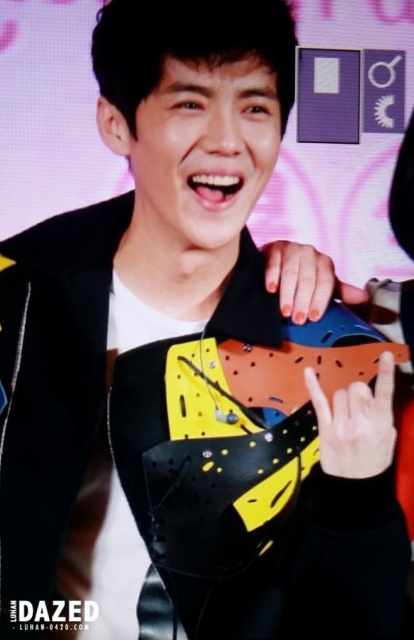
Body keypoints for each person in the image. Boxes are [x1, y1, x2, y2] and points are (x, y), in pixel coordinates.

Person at [0, 0, 410, 639]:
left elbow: (352, 618)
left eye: (255, 107)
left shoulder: (328, 339)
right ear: (116, 124)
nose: (226, 141)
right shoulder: (20, 301)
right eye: (190, 103)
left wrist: (358, 494)